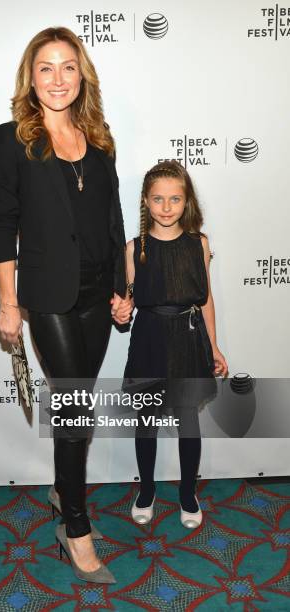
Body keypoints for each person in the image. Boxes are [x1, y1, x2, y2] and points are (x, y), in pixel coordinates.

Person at [0, 27, 132, 583]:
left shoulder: (100, 141)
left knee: (77, 408)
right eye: (45, 68)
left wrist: (124, 289)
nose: (57, 79)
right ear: (31, 77)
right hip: (47, 294)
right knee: (76, 410)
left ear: (82, 74)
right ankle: (75, 527)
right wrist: (7, 302)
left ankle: (60, 487)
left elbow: (113, 221)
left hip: (99, 291)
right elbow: (4, 227)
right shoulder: (11, 139)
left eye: (67, 66)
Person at [123, 161, 228, 528]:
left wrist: (213, 347)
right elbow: (127, 300)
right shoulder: (135, 248)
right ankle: (147, 490)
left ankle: (187, 493)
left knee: (188, 421)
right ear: (146, 202)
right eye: (158, 199)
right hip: (149, 338)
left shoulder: (199, 243)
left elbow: (206, 299)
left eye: (175, 199)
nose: (166, 207)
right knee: (147, 420)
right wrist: (121, 310)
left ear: (187, 202)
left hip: (188, 338)